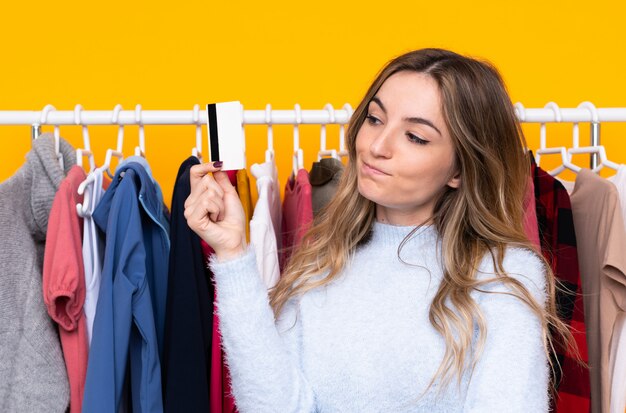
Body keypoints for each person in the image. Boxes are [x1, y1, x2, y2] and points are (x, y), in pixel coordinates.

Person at [184, 48, 572, 412]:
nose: (377, 146)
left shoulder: (502, 275)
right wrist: (233, 254)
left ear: (460, 169)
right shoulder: (322, 262)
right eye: (374, 118)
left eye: (415, 137)